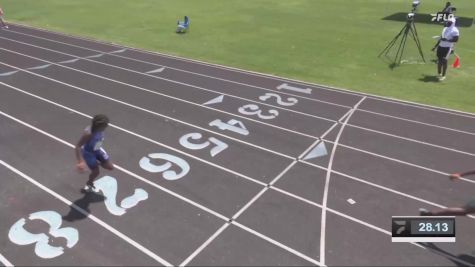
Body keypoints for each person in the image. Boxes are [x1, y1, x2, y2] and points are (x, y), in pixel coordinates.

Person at [75, 115, 114, 190]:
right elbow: (78, 146)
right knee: (96, 172)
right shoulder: (88, 134)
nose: (107, 126)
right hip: (89, 154)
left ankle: (98, 162)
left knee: (110, 167)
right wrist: (80, 162)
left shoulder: (100, 130)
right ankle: (90, 182)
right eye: (105, 125)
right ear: (99, 126)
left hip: (98, 150)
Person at [431, 17, 459, 81]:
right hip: (441, 46)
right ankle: (439, 73)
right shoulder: (445, 28)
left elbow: (456, 39)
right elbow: (441, 38)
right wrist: (435, 46)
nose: (448, 23)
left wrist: (447, 40)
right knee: (439, 60)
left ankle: (443, 75)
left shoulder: (455, 30)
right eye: (448, 22)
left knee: (444, 60)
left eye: (450, 22)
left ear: (453, 23)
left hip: (447, 47)